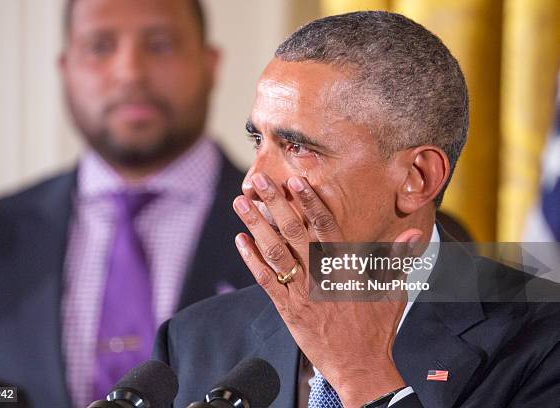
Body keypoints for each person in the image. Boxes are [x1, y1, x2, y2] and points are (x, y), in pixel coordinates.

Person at [153, 11, 560, 407]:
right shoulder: (194, 338)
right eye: (258, 140)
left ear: (417, 178)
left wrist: (360, 373)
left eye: (298, 148)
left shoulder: (544, 338)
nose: (253, 182)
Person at [0, 0, 254, 407]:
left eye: (160, 44)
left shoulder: (305, 235)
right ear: (65, 69)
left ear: (210, 63)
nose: (130, 72)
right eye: (100, 46)